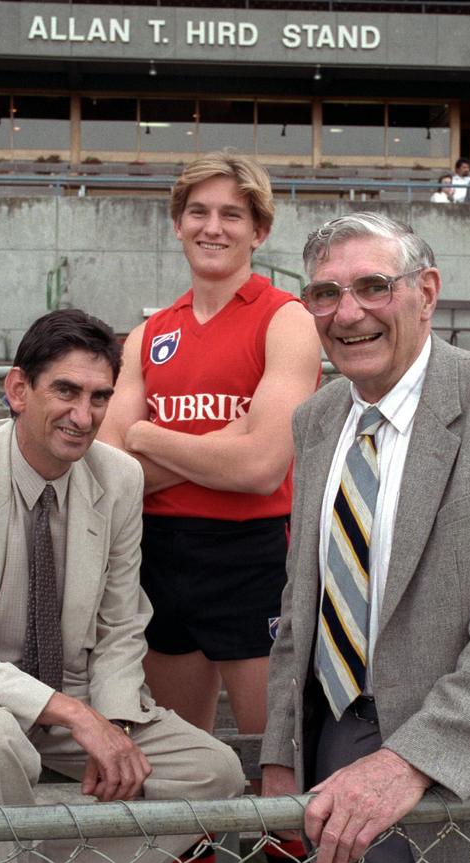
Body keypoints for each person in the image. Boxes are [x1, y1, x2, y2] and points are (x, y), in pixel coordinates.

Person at [0, 309, 244, 863]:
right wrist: (78, 718)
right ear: (18, 389)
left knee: (212, 771)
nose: (84, 415)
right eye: (66, 391)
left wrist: (116, 722)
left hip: (70, 688)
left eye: (100, 397)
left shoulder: (119, 477)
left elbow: (121, 623)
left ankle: (24, 861)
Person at [260, 212, 470, 863]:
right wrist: (279, 748)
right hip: (334, 737)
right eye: (325, 294)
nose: (347, 313)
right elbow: (305, 601)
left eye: (373, 286)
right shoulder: (316, 420)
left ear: (427, 291)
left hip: (467, 762)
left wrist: (412, 757)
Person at [98, 152, 321, 754]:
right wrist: (222, 443)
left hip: (251, 556)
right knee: (178, 759)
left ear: (259, 231)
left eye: (232, 215)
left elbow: (260, 469)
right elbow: (112, 472)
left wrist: (147, 437)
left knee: (276, 757)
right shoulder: (150, 333)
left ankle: (284, 852)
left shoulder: (287, 321)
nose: (212, 227)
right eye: (198, 212)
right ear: (178, 224)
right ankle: (189, 849)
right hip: (158, 552)